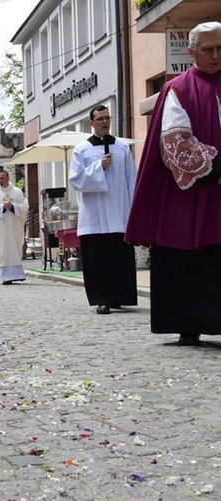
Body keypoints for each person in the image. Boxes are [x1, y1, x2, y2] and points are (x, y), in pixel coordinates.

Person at [125, 22, 221, 346]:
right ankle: (189, 325)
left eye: (220, 48)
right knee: (189, 260)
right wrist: (215, 165)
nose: (215, 55)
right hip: (192, 193)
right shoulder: (178, 89)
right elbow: (175, 145)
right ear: (191, 51)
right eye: (208, 49)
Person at [69, 105, 138, 315]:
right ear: (92, 123)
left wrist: (134, 209)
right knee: (98, 260)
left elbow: (131, 179)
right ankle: (102, 299)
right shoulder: (82, 149)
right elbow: (76, 180)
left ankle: (120, 296)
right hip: (95, 216)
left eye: (107, 118)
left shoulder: (122, 147)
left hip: (119, 212)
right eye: (100, 119)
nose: (105, 122)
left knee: (119, 258)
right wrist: (99, 167)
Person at [0, 170, 29, 284]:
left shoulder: (17, 192)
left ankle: (17, 274)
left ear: (8, 178)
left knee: (14, 248)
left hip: (14, 226)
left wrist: (13, 206)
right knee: (1, 249)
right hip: (0, 228)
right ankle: (4, 277)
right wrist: (3, 208)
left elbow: (25, 206)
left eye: (2, 178)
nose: (0, 181)